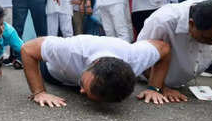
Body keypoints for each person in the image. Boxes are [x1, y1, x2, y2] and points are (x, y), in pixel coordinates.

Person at [20, 35, 171, 107]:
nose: (80, 91)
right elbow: (28, 49)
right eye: (84, 85)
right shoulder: (70, 50)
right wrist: (39, 92)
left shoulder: (135, 58)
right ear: (95, 63)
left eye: (86, 91)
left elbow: (164, 48)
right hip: (54, 73)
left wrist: (154, 88)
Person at [137, 0, 212, 101]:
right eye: (207, 38)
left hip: (181, 79)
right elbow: (142, 58)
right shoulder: (163, 20)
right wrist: (161, 87)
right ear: (191, 24)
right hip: (150, 77)